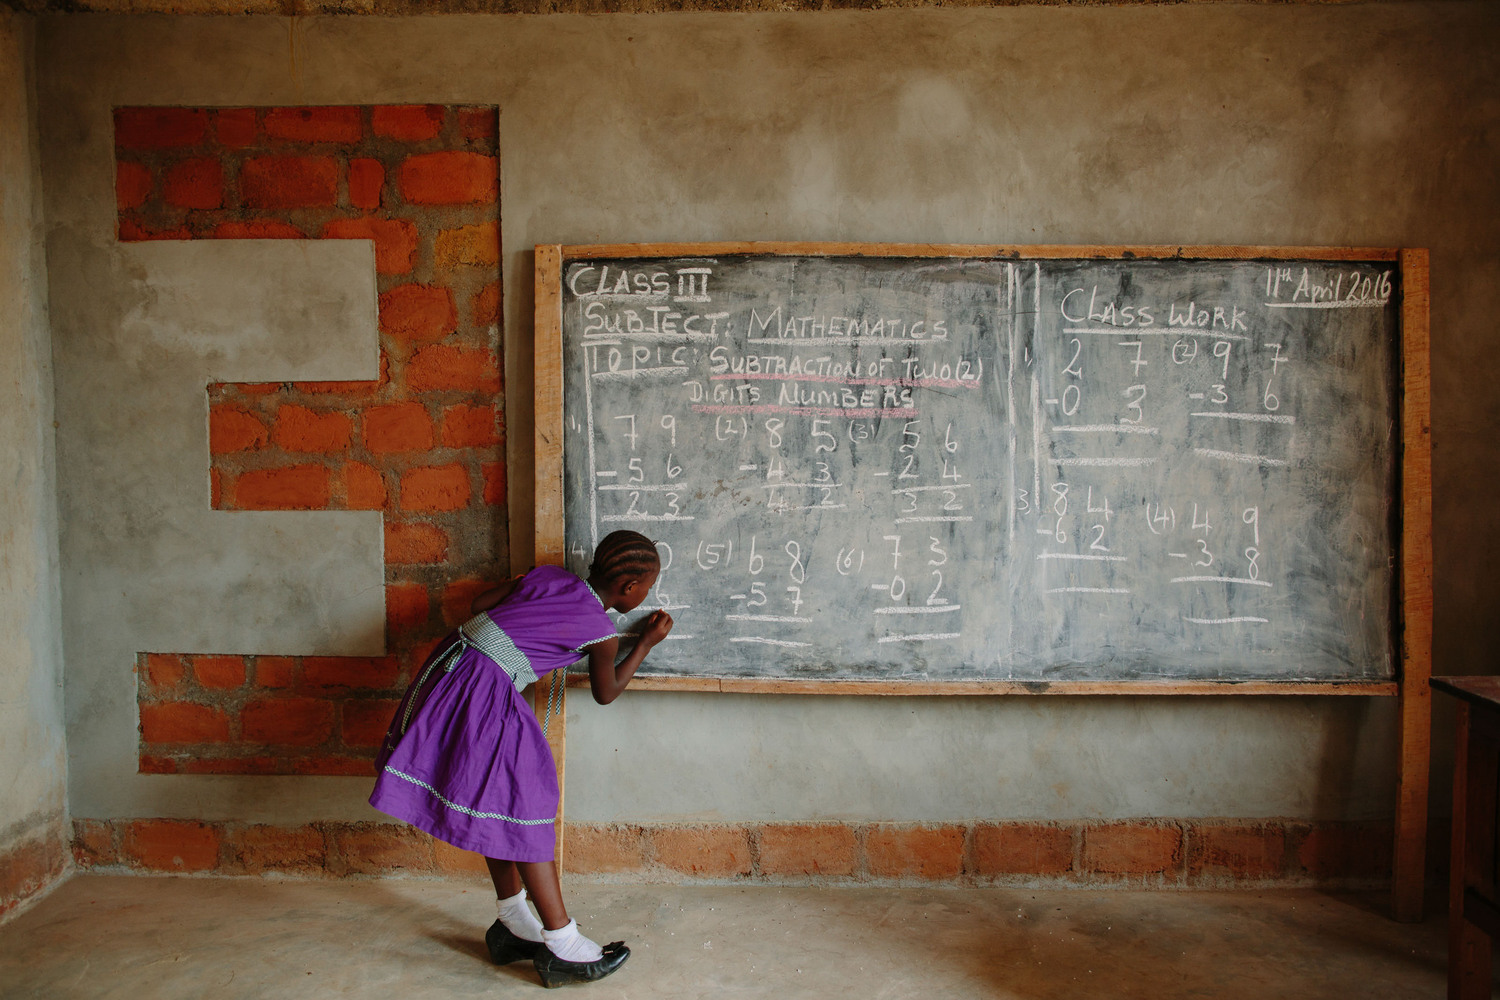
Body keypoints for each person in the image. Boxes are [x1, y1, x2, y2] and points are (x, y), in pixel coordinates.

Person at [369, 530, 673, 988]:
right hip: (483, 691)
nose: (646, 595)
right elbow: (606, 692)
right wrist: (645, 644)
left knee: (497, 799)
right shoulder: (602, 633)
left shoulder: (548, 577)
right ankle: (563, 944)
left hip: (452, 667)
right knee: (526, 801)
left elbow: (479, 605)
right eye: (647, 587)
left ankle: (513, 923)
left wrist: (522, 587)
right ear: (630, 589)